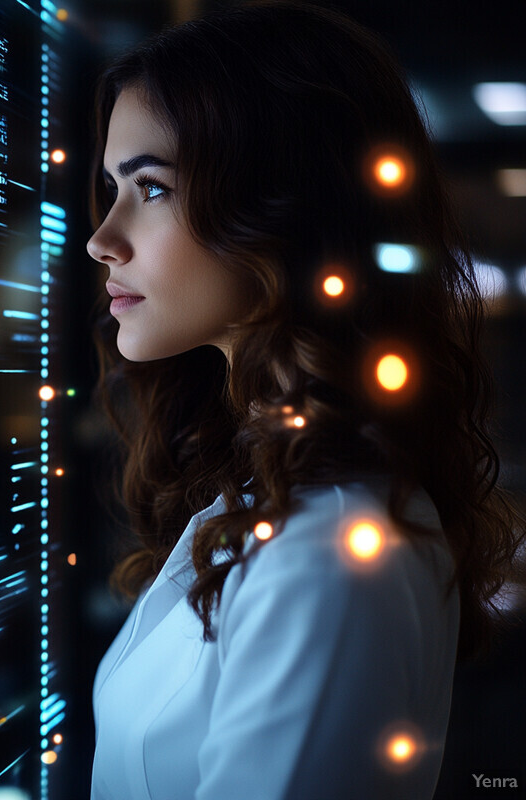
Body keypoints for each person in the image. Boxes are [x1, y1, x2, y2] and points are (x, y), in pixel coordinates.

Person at [84, 2, 523, 799]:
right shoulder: (273, 492)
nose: (102, 237)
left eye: (149, 188)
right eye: (113, 186)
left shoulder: (329, 550)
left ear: (280, 204)